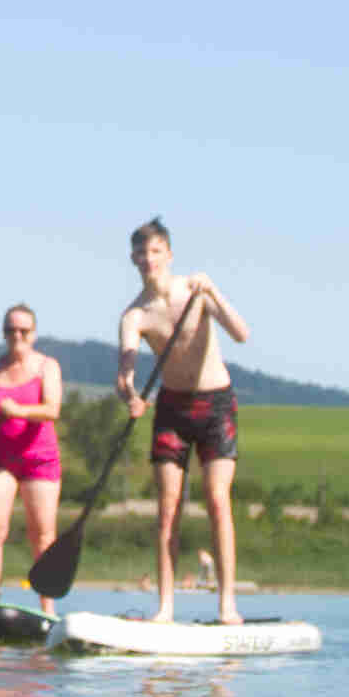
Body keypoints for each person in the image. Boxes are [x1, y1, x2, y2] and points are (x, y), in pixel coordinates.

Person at [114, 217, 252, 625]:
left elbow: (241, 334)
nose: (148, 259)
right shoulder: (134, 315)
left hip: (216, 406)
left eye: (155, 251)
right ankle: (166, 608)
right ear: (133, 259)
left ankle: (227, 605)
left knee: (216, 500)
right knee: (168, 509)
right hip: (172, 409)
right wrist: (131, 395)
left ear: (168, 255)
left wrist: (214, 292)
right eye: (141, 252)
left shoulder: (195, 291)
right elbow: (124, 373)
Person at [0, 303, 70, 610]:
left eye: (23, 330)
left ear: (34, 334)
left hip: (39, 458)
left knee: (42, 534)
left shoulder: (47, 366)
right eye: (11, 330)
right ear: (4, 334)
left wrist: (19, 411)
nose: (17, 335)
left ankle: (47, 608)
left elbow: (52, 409)